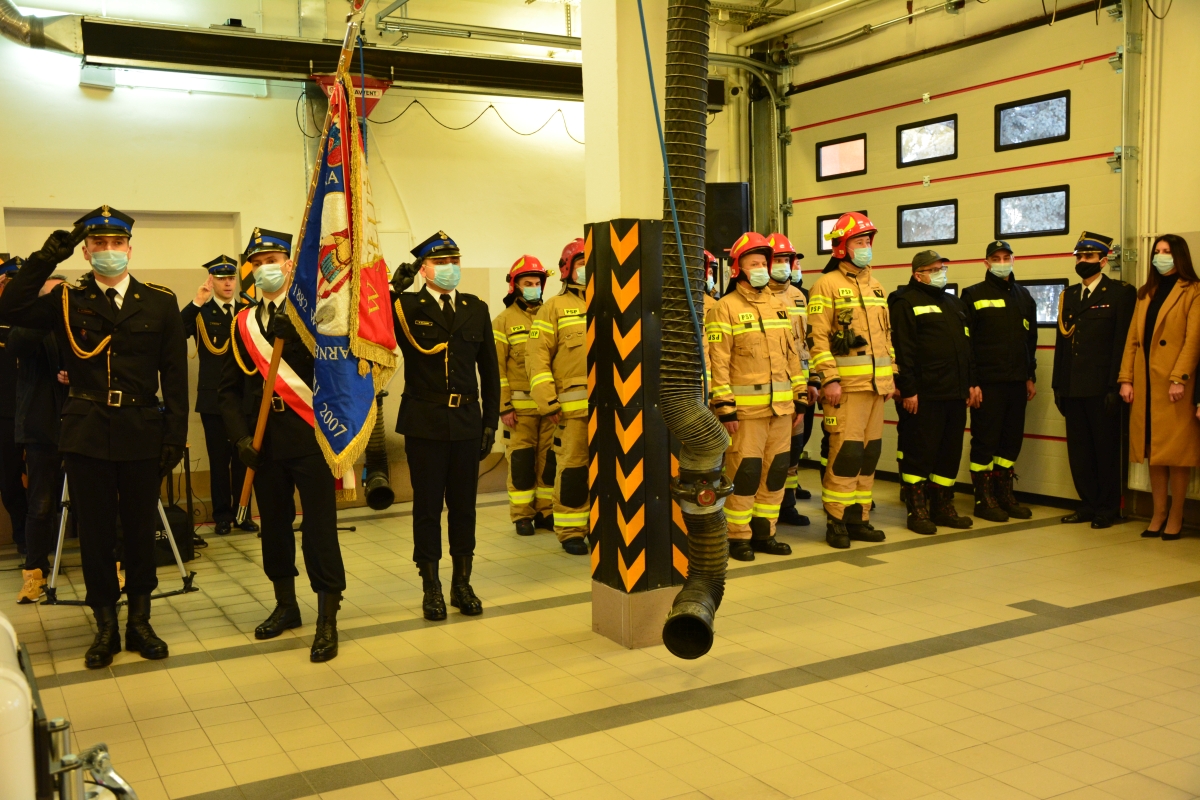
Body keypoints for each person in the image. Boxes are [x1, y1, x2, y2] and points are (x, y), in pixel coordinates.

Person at [0, 209, 187, 670]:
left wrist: (175, 436)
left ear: (129, 248)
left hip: (142, 428)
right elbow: (10, 307)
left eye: (115, 244)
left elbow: (176, 377)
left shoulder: (160, 302)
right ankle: (105, 625)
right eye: (97, 245)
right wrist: (46, 258)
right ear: (85, 251)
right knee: (97, 533)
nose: (107, 252)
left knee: (140, 532)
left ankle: (140, 622)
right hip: (85, 430)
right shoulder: (67, 299)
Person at [219, 229, 346, 661]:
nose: (268, 266)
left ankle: (328, 615)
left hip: (309, 437)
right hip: (264, 444)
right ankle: (286, 606)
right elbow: (228, 390)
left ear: (291, 262)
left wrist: (302, 335)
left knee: (319, 530)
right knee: (274, 528)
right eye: (259, 260)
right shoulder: (242, 323)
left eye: (275, 257)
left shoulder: (318, 314)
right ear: (250, 269)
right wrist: (239, 439)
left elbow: (337, 376)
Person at [392, 231, 499, 617]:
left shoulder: (476, 307)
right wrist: (392, 288)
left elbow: (490, 370)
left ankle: (461, 583)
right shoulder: (406, 305)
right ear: (423, 269)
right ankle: (431, 586)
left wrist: (490, 422)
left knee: (464, 508)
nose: (450, 269)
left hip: (468, 422)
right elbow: (372, 330)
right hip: (425, 423)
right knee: (426, 507)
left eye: (455, 261)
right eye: (441, 262)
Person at [705, 232, 805, 561]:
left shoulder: (780, 307)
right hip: (746, 413)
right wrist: (725, 408)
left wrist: (800, 397)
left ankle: (766, 531)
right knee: (745, 472)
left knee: (775, 471)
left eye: (765, 262)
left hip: (782, 408)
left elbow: (793, 356)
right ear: (738, 269)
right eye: (754, 263)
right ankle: (738, 536)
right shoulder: (724, 309)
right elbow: (717, 362)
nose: (762, 268)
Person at [807, 212, 894, 549]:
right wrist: (828, 380)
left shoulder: (876, 286)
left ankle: (860, 518)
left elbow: (886, 338)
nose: (866, 247)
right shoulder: (825, 285)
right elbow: (817, 339)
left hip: (876, 389)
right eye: (860, 241)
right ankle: (837, 519)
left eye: (868, 241)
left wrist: (891, 377)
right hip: (845, 390)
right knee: (846, 453)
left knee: (869, 454)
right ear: (842, 247)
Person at [889, 250, 980, 534]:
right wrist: (908, 390)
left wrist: (971, 383)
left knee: (949, 453)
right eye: (934, 269)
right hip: (924, 395)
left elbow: (966, 348)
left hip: (953, 394)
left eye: (942, 268)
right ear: (918, 274)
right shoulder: (905, 302)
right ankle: (917, 510)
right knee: (919, 452)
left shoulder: (954, 304)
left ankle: (943, 506)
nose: (941, 272)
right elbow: (903, 348)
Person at [1118, 234, 1200, 540]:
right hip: (1145, 383)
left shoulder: (1193, 291)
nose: (1160, 256)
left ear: (1179, 256)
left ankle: (1176, 516)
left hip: (1174, 384)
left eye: (1166, 251)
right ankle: (1158, 513)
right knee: (1153, 450)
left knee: (1176, 453)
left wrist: (1180, 377)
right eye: (1157, 251)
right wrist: (1126, 378)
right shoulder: (1146, 292)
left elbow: (1194, 341)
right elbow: (1132, 340)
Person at [1053, 232, 1136, 529]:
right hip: (1073, 387)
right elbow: (1062, 343)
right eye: (1078, 256)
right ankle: (1087, 504)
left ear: (1102, 260)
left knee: (1105, 450)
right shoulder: (1070, 295)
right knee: (1080, 451)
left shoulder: (1120, 293)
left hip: (1102, 388)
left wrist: (1116, 386)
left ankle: (1106, 508)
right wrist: (1057, 386)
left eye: (1087, 257)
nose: (1081, 261)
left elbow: (1121, 343)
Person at [961, 241, 1037, 522]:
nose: (1002, 262)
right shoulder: (972, 295)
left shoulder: (1024, 296)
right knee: (985, 441)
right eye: (996, 258)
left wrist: (1030, 376)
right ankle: (984, 498)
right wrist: (972, 383)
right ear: (986, 263)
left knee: (1010, 442)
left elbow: (1031, 341)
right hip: (987, 384)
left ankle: (1004, 494)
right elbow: (966, 345)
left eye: (1006, 257)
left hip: (1017, 382)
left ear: (1013, 260)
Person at [182, 256, 257, 536]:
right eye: (221, 278)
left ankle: (243, 514)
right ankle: (222, 516)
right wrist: (197, 302)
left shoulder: (247, 311)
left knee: (243, 459)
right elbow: (177, 330)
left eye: (231, 278)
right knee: (218, 460)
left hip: (243, 398)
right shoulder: (202, 313)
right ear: (211, 281)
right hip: (213, 400)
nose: (228, 283)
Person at [526, 239, 591, 555]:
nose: (586, 269)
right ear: (568, 268)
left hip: (615, 411)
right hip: (571, 412)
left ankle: (600, 525)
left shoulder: (612, 302)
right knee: (574, 470)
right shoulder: (553, 307)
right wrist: (547, 401)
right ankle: (570, 531)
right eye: (581, 263)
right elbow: (536, 357)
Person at [12, 269, 68, 604]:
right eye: (51, 296)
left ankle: (111, 567)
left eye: (62, 295)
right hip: (42, 427)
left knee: (96, 502)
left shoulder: (82, 326)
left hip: (81, 424)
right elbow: (18, 342)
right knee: (41, 504)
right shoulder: (32, 327)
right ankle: (35, 575)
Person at [492, 255, 556, 537]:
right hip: (518, 410)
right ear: (514, 285)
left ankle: (546, 511)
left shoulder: (551, 314)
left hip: (550, 408)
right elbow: (497, 370)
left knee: (549, 462)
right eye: (527, 282)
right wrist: (504, 406)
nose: (533, 287)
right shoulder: (503, 322)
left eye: (537, 282)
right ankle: (522, 515)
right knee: (521, 462)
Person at [766, 232, 813, 528]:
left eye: (787, 260)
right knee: (768, 453)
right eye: (778, 260)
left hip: (799, 386)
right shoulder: (758, 297)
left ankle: (787, 503)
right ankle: (767, 509)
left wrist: (813, 381)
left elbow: (805, 342)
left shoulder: (798, 296)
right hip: (768, 389)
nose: (784, 266)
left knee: (794, 450)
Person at [0, 256, 28, 559]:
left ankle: (45, 534)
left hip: (40, 408)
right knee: (8, 479)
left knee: (50, 477)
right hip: (5, 412)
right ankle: (23, 534)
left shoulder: (37, 313)